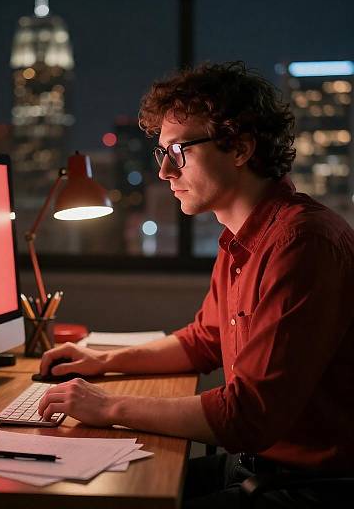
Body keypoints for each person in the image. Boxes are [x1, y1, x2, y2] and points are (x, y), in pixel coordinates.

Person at [37, 61, 354, 507]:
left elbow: (248, 416)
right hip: (255, 463)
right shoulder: (240, 239)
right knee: (100, 489)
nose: (166, 172)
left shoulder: (302, 244)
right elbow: (202, 341)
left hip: (307, 485)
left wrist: (107, 406)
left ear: (240, 148)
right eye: (162, 153)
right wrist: (99, 361)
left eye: (179, 151)